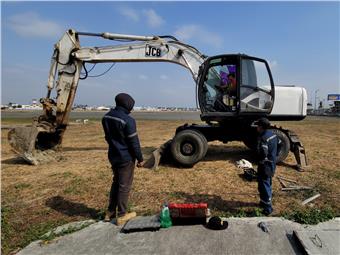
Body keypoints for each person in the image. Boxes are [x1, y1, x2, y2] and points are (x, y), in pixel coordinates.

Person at [102, 93, 144, 225]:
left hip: (113, 155)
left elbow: (108, 138)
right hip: (126, 158)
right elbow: (134, 143)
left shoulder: (106, 117)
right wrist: (140, 159)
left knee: (116, 182)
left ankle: (109, 212)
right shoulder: (128, 120)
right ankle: (122, 214)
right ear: (127, 105)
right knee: (124, 186)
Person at [252, 117, 278, 215]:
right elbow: (279, 145)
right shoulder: (273, 135)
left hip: (265, 165)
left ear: (261, 127)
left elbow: (262, 152)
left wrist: (259, 159)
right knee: (268, 182)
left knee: (264, 185)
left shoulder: (263, 138)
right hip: (272, 163)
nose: (256, 128)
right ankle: (263, 202)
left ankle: (268, 208)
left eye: (257, 126)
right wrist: (274, 156)